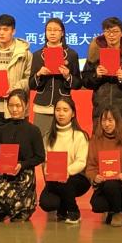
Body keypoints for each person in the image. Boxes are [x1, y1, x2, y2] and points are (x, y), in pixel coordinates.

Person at [0, 89, 45, 223]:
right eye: (11, 105)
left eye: (18, 105)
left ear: (26, 106)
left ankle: (23, 207)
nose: (14, 109)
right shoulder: (2, 130)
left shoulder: (33, 130)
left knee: (16, 213)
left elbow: (40, 156)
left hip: (24, 174)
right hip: (5, 174)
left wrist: (22, 164)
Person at [81, 16, 122, 134]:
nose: (111, 35)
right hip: (100, 111)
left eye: (115, 31)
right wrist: (96, 75)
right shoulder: (95, 53)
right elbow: (85, 80)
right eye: (107, 31)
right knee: (100, 143)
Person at [38, 96, 90, 224]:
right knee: (46, 203)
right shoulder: (48, 136)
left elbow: (81, 162)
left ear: (73, 114)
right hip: (55, 178)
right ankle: (62, 207)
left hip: (77, 177)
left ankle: (74, 211)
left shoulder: (80, 135)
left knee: (66, 182)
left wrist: (66, 171)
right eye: (58, 110)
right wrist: (47, 170)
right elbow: (45, 160)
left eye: (65, 110)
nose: (61, 113)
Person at [85, 108, 122, 226]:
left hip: (121, 186)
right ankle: (109, 209)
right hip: (102, 183)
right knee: (99, 204)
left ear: (117, 121)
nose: (107, 124)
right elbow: (90, 167)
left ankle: (117, 212)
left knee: (112, 184)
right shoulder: (95, 141)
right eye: (104, 120)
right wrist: (95, 177)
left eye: (110, 120)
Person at [29, 18, 81, 134]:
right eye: (49, 30)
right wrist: (39, 74)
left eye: (56, 30)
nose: (52, 33)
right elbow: (31, 85)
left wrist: (68, 76)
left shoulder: (71, 55)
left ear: (62, 33)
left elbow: (78, 84)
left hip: (63, 106)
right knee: (41, 140)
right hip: (43, 106)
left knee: (62, 140)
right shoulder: (37, 55)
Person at [0, 14, 33, 125]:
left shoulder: (25, 53)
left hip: (16, 108)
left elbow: (30, 79)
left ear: (13, 31)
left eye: (5, 29)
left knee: (16, 137)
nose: (1, 33)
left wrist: (14, 89)